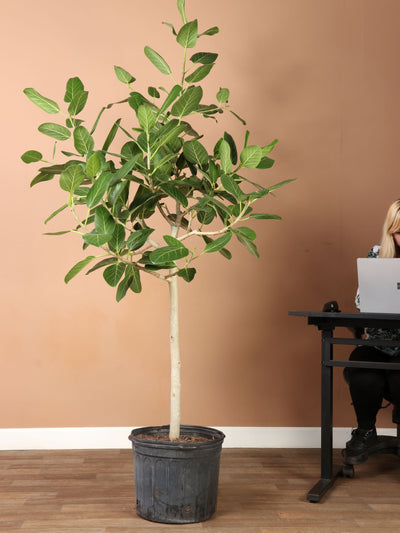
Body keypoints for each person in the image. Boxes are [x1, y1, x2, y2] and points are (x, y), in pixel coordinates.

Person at [344, 199, 400, 463]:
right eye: (399, 231)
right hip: (378, 342)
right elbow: (359, 301)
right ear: (390, 232)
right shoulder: (378, 254)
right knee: (362, 370)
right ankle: (365, 430)